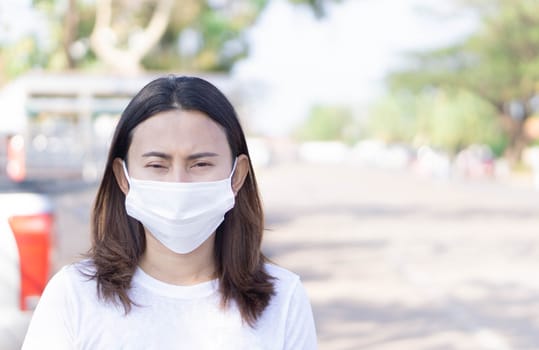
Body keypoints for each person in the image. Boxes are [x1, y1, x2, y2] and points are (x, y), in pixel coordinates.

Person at [22, 75, 317, 349]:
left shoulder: (283, 299)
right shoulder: (74, 296)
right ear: (123, 176)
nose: (179, 183)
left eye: (200, 164)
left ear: (237, 175)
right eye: (157, 165)